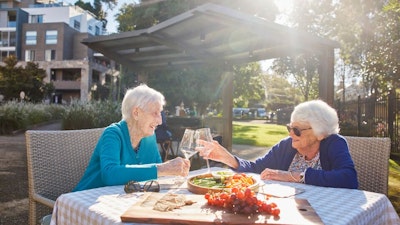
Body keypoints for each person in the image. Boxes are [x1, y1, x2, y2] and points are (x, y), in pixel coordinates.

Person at [197, 100, 358, 189]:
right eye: (290, 128)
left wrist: (294, 176)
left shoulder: (334, 143)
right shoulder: (287, 145)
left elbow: (349, 179)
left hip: (326, 211)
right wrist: (229, 158)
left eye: (297, 130)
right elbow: (256, 168)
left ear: (319, 132)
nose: (290, 134)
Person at [73, 84, 190, 192]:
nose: (160, 121)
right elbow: (109, 174)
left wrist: (172, 169)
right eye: (155, 113)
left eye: (160, 114)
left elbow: (157, 175)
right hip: (83, 202)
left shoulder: (149, 137)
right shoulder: (113, 134)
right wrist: (163, 169)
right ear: (136, 113)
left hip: (120, 202)